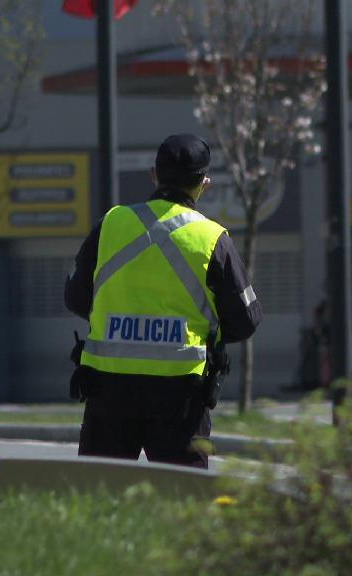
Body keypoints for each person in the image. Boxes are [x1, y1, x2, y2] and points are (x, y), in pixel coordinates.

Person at [65, 133, 262, 469]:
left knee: (99, 499)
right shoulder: (212, 238)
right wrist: (203, 331)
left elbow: (75, 297)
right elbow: (246, 320)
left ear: (154, 175)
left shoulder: (111, 224)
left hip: (108, 391)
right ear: (204, 183)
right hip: (180, 397)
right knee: (183, 502)